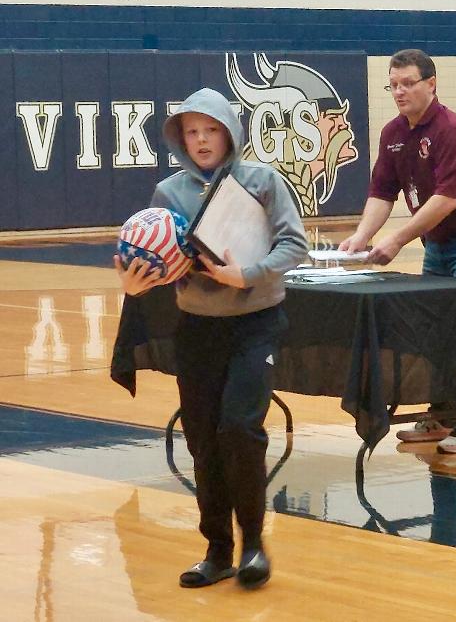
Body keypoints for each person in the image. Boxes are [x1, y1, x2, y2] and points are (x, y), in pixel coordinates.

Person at [115, 88, 307, 589]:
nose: (201, 140)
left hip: (256, 324)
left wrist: (248, 274)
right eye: (191, 132)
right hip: (197, 329)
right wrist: (138, 284)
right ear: (180, 140)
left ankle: (254, 544)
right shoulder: (168, 193)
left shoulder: (262, 181)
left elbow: (295, 243)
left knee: (240, 428)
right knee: (202, 438)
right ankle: (217, 550)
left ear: (230, 132)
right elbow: (160, 266)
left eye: (211, 130)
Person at [339, 49, 456, 454]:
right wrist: (362, 236)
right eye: (393, 85)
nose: (399, 92)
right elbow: (382, 192)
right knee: (434, 330)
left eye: (408, 83)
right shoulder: (393, 134)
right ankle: (442, 413)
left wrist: (397, 239)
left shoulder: (455, 131)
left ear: (431, 84)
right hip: (437, 243)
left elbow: (447, 200)